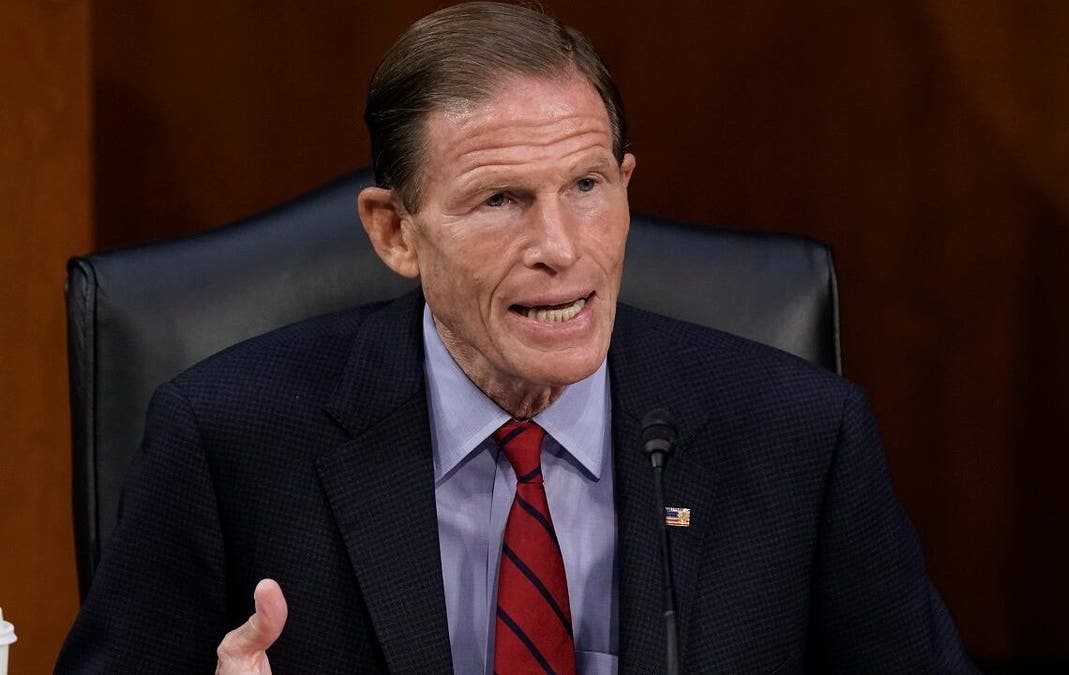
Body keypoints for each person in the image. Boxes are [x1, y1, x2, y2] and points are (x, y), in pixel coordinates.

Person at [57, 2, 976, 673]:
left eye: (587, 186)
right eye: (501, 200)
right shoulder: (230, 438)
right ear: (395, 232)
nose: (560, 248)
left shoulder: (798, 438)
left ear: (626, 183)